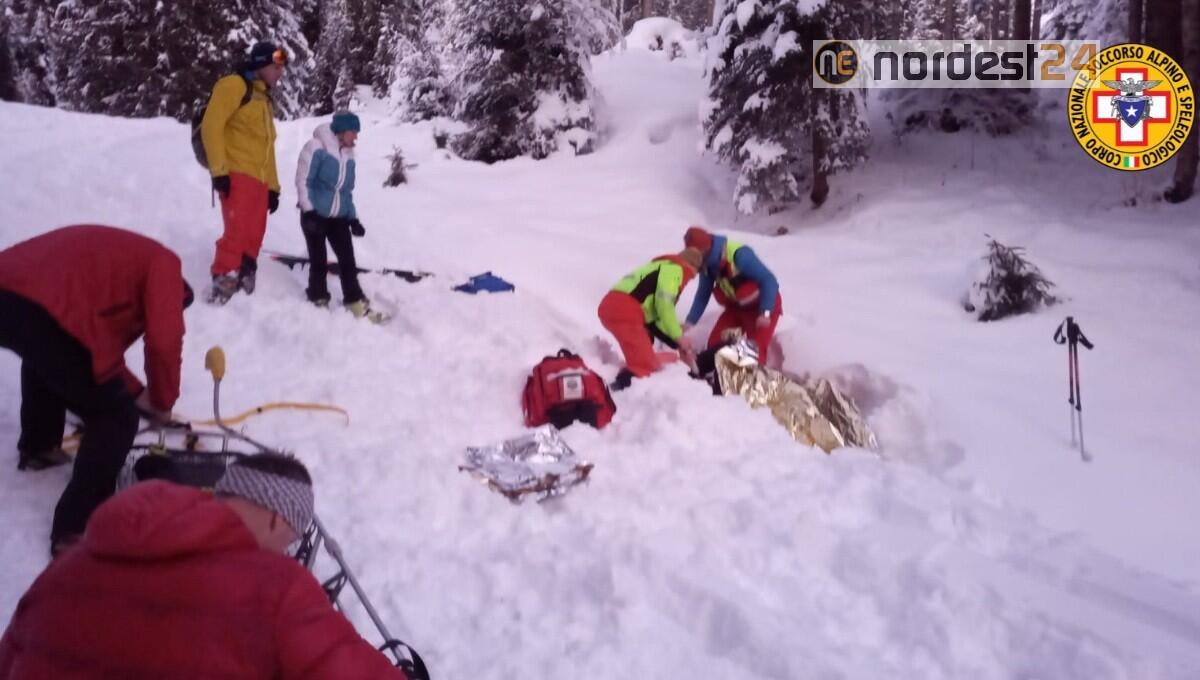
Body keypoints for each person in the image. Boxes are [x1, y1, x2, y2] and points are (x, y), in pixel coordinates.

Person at [0, 454, 409, 679]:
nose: (287, 550)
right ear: (277, 520)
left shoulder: (66, 569)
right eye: (292, 538)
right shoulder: (277, 589)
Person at [0, 225, 189, 555]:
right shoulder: (165, 266)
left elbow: (87, 353)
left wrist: (137, 392)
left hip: (14, 290)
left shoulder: (121, 273)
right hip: (41, 300)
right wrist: (161, 402)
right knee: (116, 418)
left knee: (47, 355)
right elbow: (163, 343)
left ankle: (40, 446)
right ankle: (76, 528)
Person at [201, 41, 287, 304]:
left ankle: (245, 281)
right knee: (236, 233)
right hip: (237, 173)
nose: (280, 73)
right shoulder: (234, 86)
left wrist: (273, 187)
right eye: (275, 67)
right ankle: (224, 283)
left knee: (254, 235)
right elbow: (211, 127)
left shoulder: (263, 100)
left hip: (260, 181)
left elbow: (267, 148)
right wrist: (219, 171)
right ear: (261, 64)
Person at [295, 111, 382, 322]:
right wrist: (308, 211)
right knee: (319, 259)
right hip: (314, 214)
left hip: (338, 218)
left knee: (347, 259)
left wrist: (353, 218)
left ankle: (354, 300)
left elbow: (346, 192)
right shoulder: (317, 147)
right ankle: (318, 297)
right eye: (353, 132)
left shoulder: (349, 156)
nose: (356, 138)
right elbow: (303, 180)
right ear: (341, 131)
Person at [598, 248, 703, 390]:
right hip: (626, 311)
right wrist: (679, 337)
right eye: (694, 274)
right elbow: (664, 306)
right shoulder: (674, 270)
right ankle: (612, 394)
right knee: (644, 366)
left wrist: (676, 341)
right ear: (691, 268)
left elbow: (656, 318)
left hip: (615, 308)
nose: (692, 278)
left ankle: (617, 387)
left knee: (644, 358)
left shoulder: (661, 266)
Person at [682, 226, 782, 365]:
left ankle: (751, 380)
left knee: (755, 350)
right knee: (714, 345)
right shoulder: (707, 266)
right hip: (736, 308)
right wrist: (689, 323)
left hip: (763, 307)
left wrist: (765, 313)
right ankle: (713, 377)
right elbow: (702, 295)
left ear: (705, 250)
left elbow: (769, 280)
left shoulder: (740, 255)